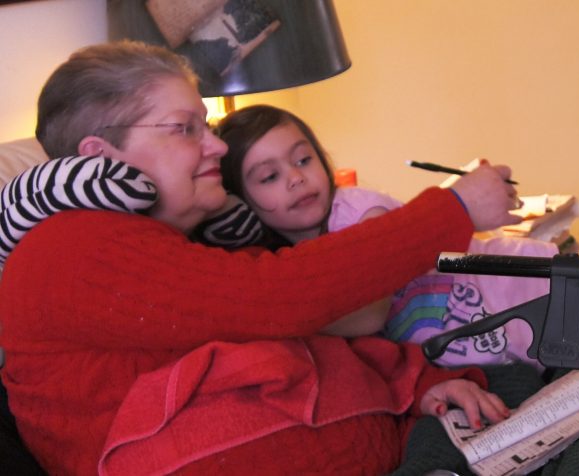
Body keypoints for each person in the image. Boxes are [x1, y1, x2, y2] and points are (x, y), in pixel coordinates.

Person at [0, 40, 524, 475]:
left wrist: (421, 384)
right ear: (100, 156)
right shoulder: (71, 246)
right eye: (185, 128)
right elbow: (279, 297)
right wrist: (451, 209)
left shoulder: (176, 244)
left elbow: (313, 334)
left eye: (207, 126)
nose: (217, 147)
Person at [211, 104, 553, 369]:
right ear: (240, 202)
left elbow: (370, 309)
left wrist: (278, 319)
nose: (296, 177)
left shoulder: (356, 209)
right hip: (499, 346)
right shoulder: (286, 262)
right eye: (269, 177)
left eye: (303, 159)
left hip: (526, 287)